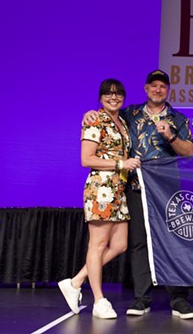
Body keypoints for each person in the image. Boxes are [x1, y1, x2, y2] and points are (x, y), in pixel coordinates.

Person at [83, 70, 193, 319]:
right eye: (153, 86)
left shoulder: (177, 118)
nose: (158, 90)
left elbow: (189, 151)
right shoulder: (130, 114)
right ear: (146, 89)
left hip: (168, 191)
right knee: (138, 245)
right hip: (135, 189)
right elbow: (106, 117)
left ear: (167, 90)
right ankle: (142, 298)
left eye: (162, 87)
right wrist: (89, 113)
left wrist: (171, 136)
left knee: (174, 243)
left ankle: (179, 299)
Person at [58, 78, 141, 319]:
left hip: (119, 190)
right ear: (100, 97)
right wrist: (120, 163)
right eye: (108, 94)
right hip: (101, 189)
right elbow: (86, 159)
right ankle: (99, 300)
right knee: (98, 244)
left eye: (118, 94)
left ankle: (75, 282)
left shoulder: (123, 121)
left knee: (120, 245)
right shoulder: (95, 120)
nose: (113, 97)